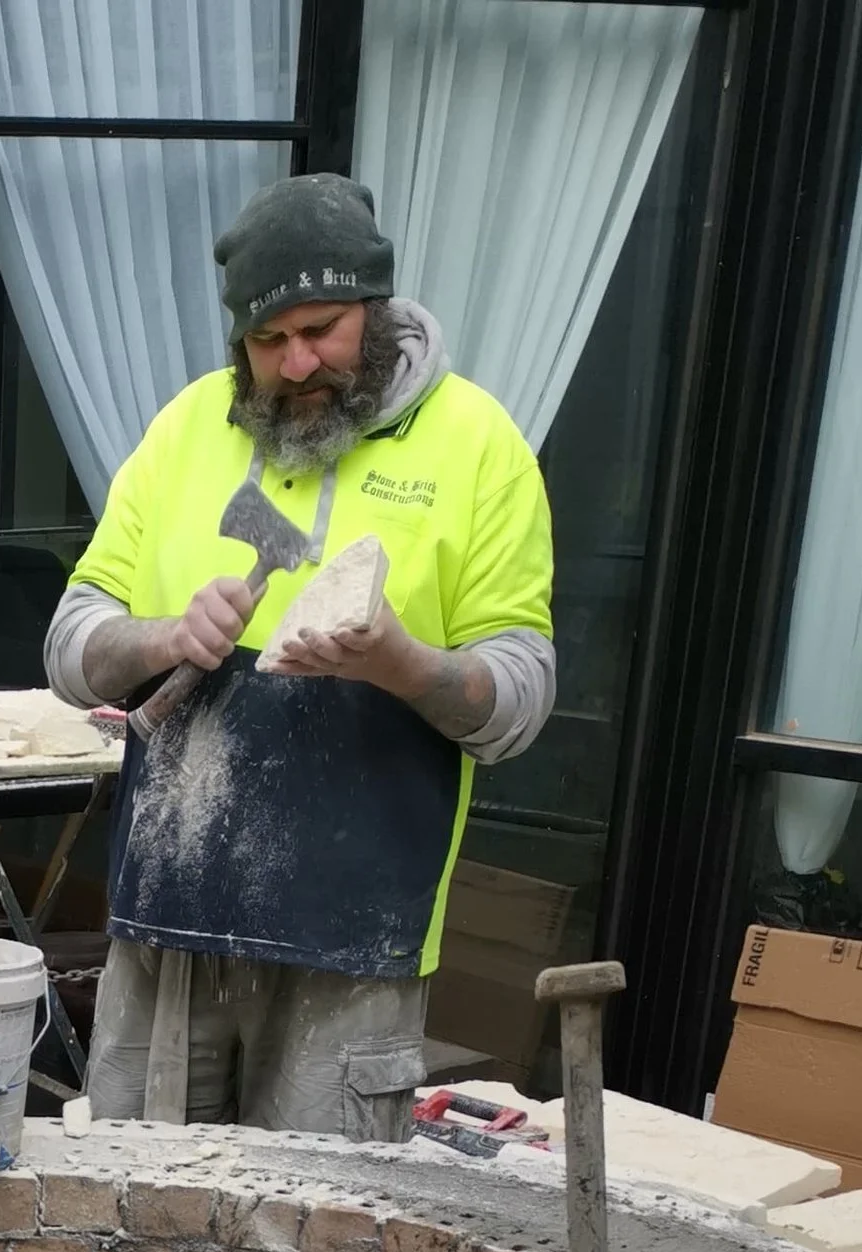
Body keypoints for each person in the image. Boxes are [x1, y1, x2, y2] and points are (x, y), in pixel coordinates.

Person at [46, 174, 556, 1136]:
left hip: (352, 948)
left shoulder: (478, 447)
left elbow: (520, 703)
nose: (294, 363)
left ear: (377, 308)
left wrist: (401, 661)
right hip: (169, 932)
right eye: (267, 340)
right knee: (134, 1227)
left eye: (321, 329)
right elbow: (71, 646)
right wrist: (162, 637)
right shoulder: (186, 428)